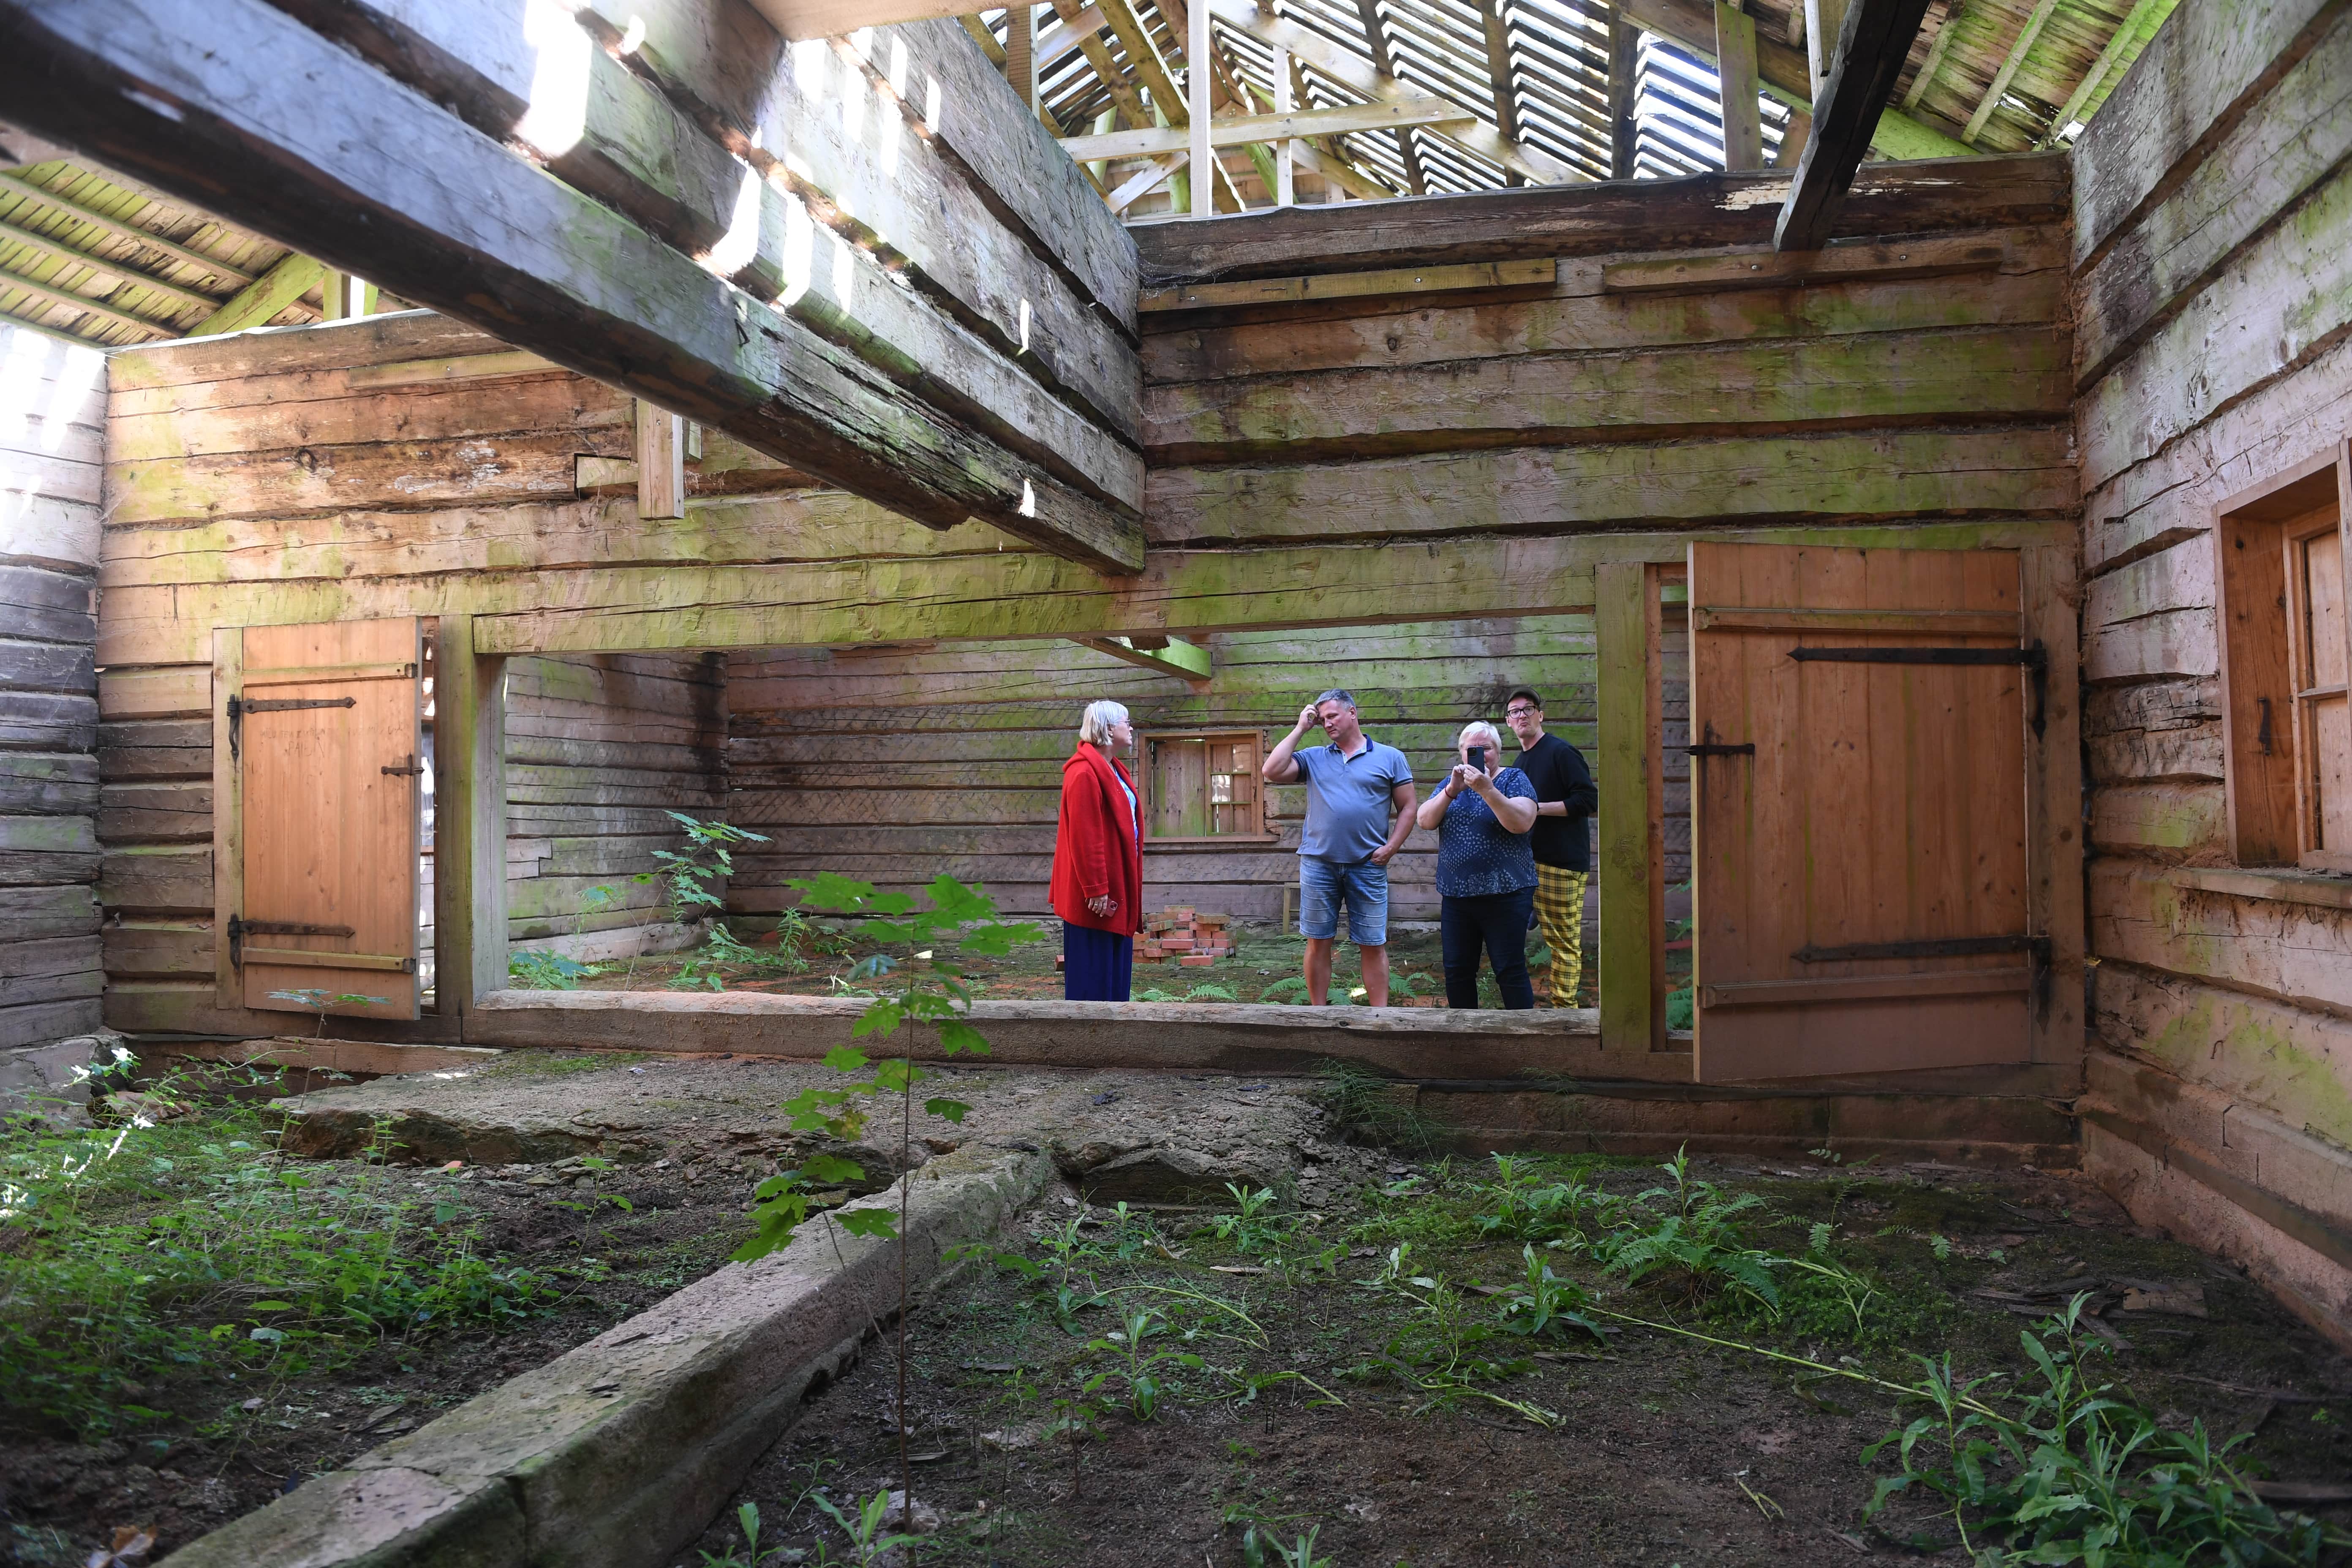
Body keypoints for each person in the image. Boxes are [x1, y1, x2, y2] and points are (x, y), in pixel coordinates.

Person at [1262, 689, 1416, 1006]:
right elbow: (1271, 770)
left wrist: (1391, 848)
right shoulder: (1314, 757)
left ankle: (1380, 1018)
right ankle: (1319, 1016)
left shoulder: (1390, 757)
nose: (1327, 723)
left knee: (1373, 943)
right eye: (1322, 720)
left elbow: (1409, 807)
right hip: (1319, 864)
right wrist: (1301, 728)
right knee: (1318, 941)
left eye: (1332, 716)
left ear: (1352, 713)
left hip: (1369, 865)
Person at [1416, 720, 1540, 1009]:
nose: (1480, 755)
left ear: (1498, 751)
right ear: (1462, 753)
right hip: (1457, 896)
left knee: (1509, 969)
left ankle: (1523, 1031)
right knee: (1457, 970)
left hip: (1506, 894)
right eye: (1472, 749)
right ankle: (1464, 1032)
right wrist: (1451, 791)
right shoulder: (1451, 785)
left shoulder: (1514, 779)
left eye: (1486, 748)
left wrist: (1487, 790)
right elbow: (1424, 821)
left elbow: (1522, 823)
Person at [1504, 687, 1599, 1008]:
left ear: (1540, 715)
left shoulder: (1561, 752)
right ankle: (1526, 1009)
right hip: (1527, 866)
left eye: (1528, 709)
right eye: (1515, 711)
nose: (1522, 715)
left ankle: (1565, 1012)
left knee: (1564, 944)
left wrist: (1536, 808)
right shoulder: (1520, 762)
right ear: (1509, 722)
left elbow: (1588, 800)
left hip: (1561, 864)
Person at [1049, 699, 1143, 1001]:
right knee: (1093, 978)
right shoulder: (1084, 773)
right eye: (1126, 722)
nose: (1131, 728)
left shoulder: (1111, 768)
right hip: (1096, 897)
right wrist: (1096, 889)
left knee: (1113, 975)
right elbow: (1085, 837)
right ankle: (1089, 1031)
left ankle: (1114, 1028)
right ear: (1108, 729)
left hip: (1115, 885)